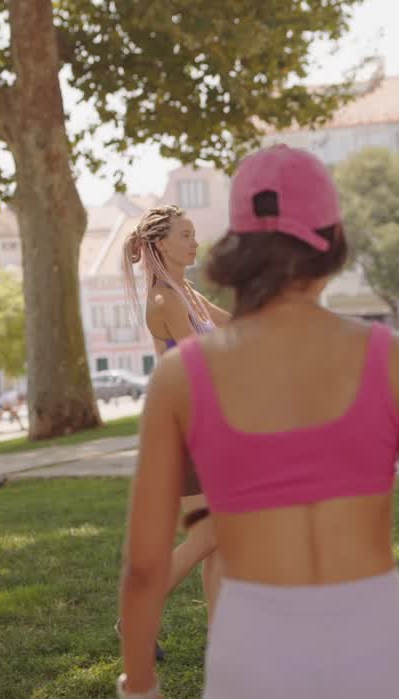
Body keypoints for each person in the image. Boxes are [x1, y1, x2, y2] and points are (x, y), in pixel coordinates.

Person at [114, 145, 399, 699]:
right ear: (332, 239)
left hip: (251, 665)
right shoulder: (397, 361)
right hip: (382, 656)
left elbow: (146, 563)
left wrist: (140, 687)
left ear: (239, 247)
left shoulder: (181, 377)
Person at [117, 204, 232, 661]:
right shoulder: (165, 301)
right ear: (162, 244)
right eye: (186, 234)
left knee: (217, 537)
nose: (195, 241)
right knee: (208, 537)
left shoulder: (187, 293)